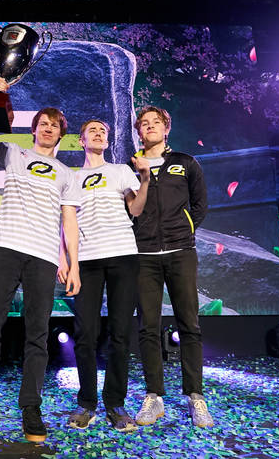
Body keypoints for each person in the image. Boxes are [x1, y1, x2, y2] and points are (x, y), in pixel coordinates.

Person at [0, 78, 82, 448]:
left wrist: (71, 263)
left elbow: (69, 221)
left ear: (61, 134)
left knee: (37, 335)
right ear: (34, 129)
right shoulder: (13, 153)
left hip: (43, 257)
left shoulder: (67, 174)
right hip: (7, 249)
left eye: (54, 125)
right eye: (43, 123)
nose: (48, 128)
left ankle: (31, 407)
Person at [130, 106, 214, 428]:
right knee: (148, 327)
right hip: (144, 255)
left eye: (156, 122)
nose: (150, 127)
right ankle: (154, 397)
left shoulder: (186, 162)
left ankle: (196, 397)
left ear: (166, 128)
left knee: (189, 325)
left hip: (181, 252)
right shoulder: (130, 166)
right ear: (139, 131)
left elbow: (200, 204)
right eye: (144, 123)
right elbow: (128, 208)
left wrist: (186, 228)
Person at [65, 120, 150, 432]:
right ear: (81, 140)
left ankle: (115, 403)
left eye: (103, 131)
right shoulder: (72, 176)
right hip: (86, 260)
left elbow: (136, 209)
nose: (99, 134)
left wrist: (145, 179)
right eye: (93, 131)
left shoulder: (121, 171)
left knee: (120, 332)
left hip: (122, 255)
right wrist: (67, 261)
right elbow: (67, 222)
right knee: (85, 333)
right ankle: (86, 403)